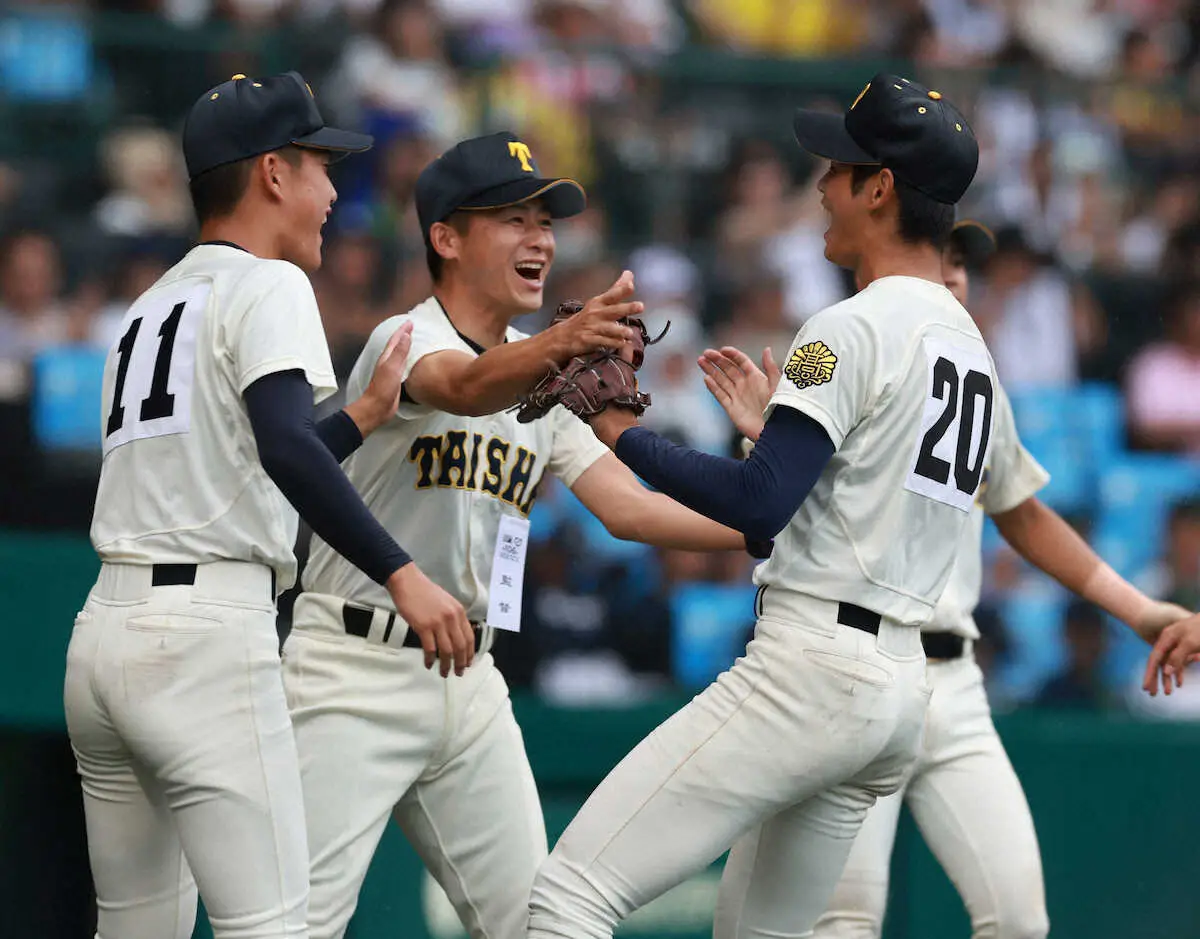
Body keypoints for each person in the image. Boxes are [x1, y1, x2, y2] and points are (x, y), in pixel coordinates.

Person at [523, 72, 992, 939]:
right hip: (896, 692)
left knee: (564, 899)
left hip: (812, 666)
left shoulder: (845, 326)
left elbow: (756, 509)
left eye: (839, 168)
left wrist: (620, 426)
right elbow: (833, 491)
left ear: (880, 187)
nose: (821, 185)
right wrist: (770, 433)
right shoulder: (973, 349)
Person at [281, 132, 754, 939]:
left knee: (538, 920)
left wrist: (759, 517)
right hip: (349, 666)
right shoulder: (405, 339)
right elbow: (459, 388)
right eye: (513, 217)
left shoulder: (544, 377)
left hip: (469, 680)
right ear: (446, 236)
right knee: (293, 926)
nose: (541, 238)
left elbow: (629, 509)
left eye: (546, 220)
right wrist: (562, 344)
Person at [62, 71, 478, 939]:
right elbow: (285, 448)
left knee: (136, 930)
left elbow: (243, 467)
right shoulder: (271, 283)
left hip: (106, 629)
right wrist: (401, 572)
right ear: (273, 175)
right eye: (322, 167)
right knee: (277, 928)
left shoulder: (148, 306)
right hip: (206, 638)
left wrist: (361, 419)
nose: (333, 192)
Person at [700, 219, 1196, 939]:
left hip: (954, 684)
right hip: (857, 661)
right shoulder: (844, 341)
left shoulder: (972, 374)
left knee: (1019, 919)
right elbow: (777, 504)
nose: (957, 275)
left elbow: (1024, 516)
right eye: (945, 258)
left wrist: (1140, 608)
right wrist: (761, 438)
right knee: (843, 920)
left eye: (964, 264)